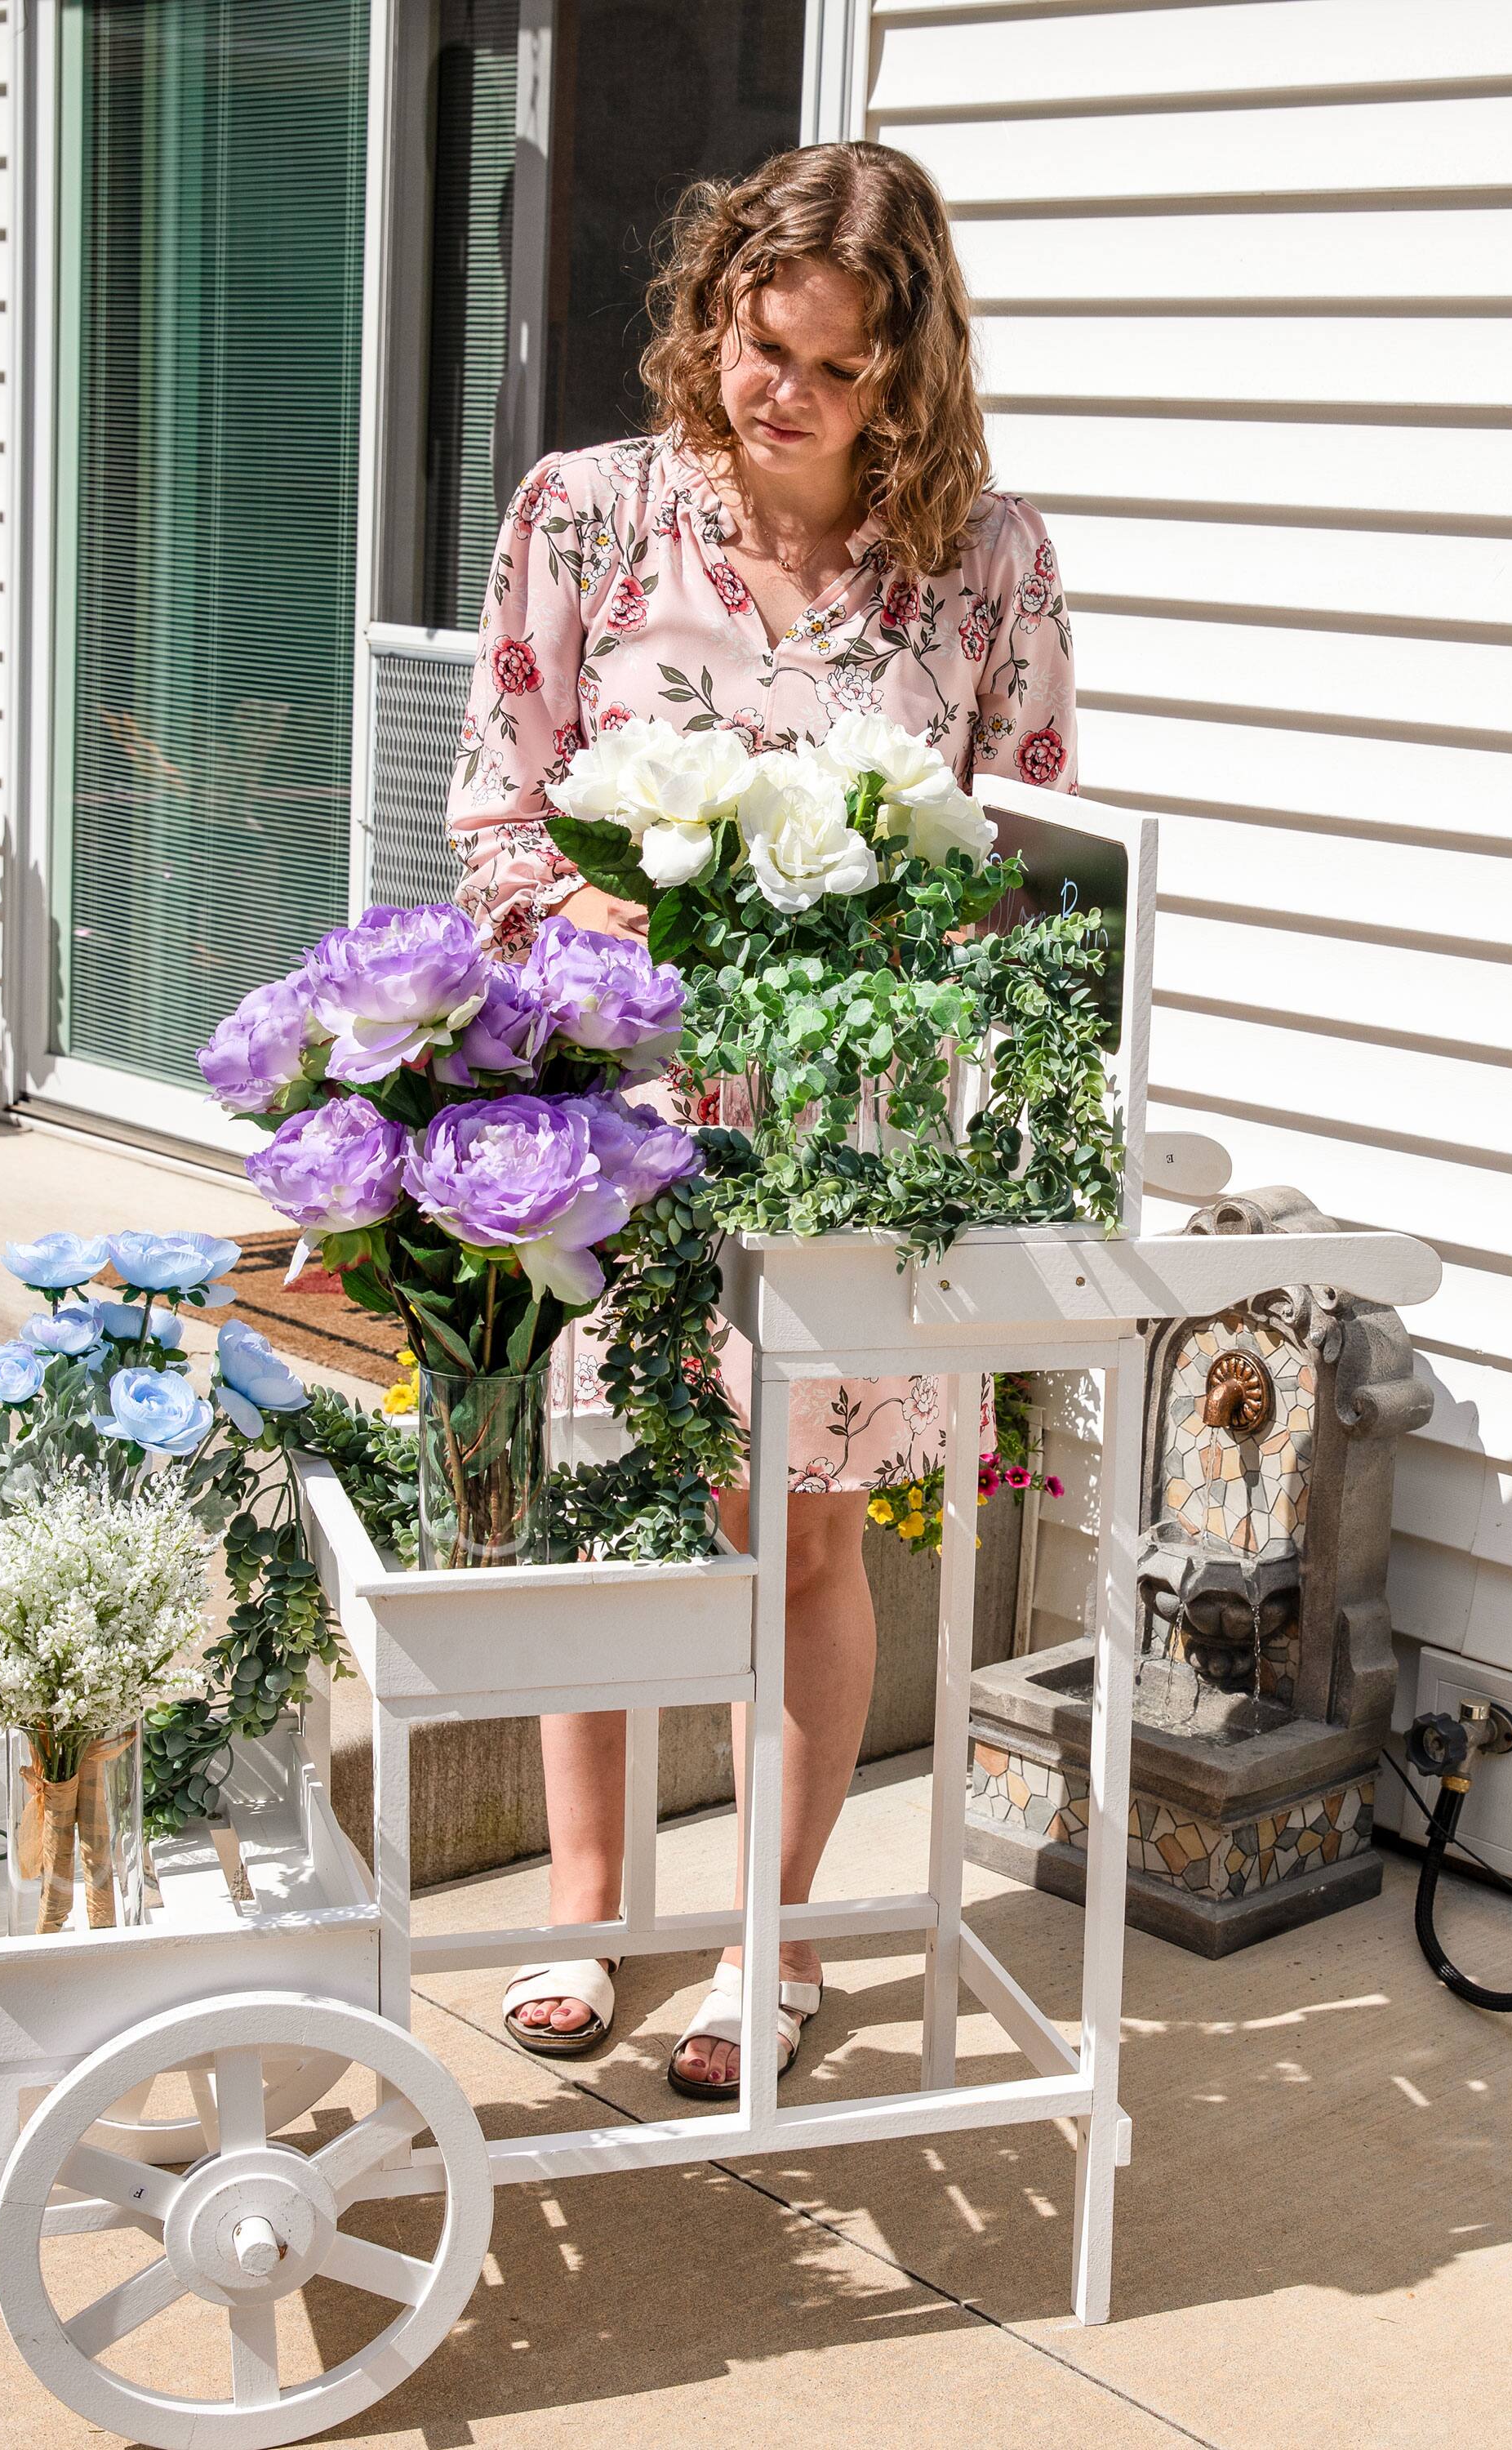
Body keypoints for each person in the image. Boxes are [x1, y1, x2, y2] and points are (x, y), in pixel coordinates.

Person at [446, 139, 1078, 2098]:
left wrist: (878, 928)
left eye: (822, 361)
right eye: (747, 336)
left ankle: (769, 1947)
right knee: (603, 1542)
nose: (769, 389)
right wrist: (620, 913)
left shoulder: (987, 564)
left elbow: (1031, 855)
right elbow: (493, 821)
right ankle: (583, 1909)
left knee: (797, 1542)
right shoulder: (588, 517)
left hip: (841, 1133)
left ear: (906, 370)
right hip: (606, 1113)